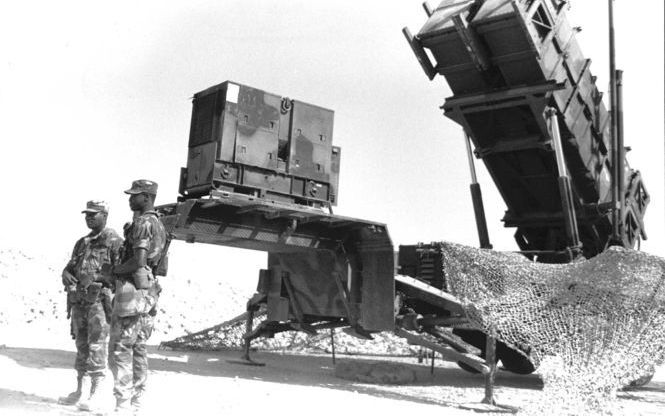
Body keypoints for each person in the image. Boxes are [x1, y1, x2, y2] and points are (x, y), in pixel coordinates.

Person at [103, 179, 167, 415]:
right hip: (148, 293)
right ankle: (137, 404)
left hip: (132, 293)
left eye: (135, 195)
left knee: (120, 349)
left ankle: (121, 405)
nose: (131, 199)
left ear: (147, 198)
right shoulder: (159, 224)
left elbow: (137, 261)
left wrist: (113, 271)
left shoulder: (142, 222)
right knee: (139, 347)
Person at [59, 201, 123, 411]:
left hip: (99, 302)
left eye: (93, 215)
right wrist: (66, 274)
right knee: (81, 345)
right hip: (79, 301)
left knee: (97, 346)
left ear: (105, 215)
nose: (89, 218)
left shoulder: (114, 241)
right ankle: (79, 390)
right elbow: (70, 266)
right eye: (87, 214)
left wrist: (97, 277)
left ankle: (95, 394)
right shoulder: (82, 242)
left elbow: (120, 272)